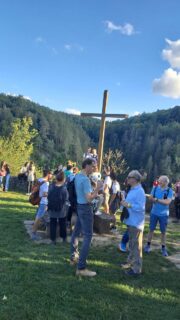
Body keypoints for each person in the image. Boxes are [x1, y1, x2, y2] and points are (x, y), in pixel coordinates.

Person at [70, 158, 103, 277]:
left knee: (76, 232)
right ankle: (81, 268)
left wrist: (93, 191)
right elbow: (89, 198)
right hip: (86, 208)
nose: (94, 168)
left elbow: (84, 194)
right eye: (93, 166)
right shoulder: (85, 180)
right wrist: (98, 189)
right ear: (87, 166)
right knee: (88, 236)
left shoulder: (78, 176)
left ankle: (73, 257)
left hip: (79, 206)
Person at [120, 170, 146, 276]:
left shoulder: (139, 191)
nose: (127, 179)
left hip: (136, 223)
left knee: (136, 246)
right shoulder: (133, 189)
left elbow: (140, 208)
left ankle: (136, 269)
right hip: (131, 221)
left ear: (134, 179)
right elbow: (130, 203)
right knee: (131, 243)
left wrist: (128, 205)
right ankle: (130, 262)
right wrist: (124, 201)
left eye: (129, 177)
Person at [144, 175, 173, 257]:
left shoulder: (169, 191)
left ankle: (163, 248)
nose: (158, 182)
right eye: (159, 180)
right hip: (154, 213)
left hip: (164, 214)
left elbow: (167, 202)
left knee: (163, 232)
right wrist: (153, 198)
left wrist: (156, 199)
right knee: (151, 229)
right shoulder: (155, 188)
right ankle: (148, 245)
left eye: (160, 181)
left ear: (165, 182)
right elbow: (150, 198)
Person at [48, 171, 69, 244]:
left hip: (52, 207)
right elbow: (66, 198)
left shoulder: (51, 186)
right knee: (62, 223)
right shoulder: (64, 188)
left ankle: (53, 240)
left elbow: (48, 196)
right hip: (61, 208)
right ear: (64, 179)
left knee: (52, 223)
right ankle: (64, 238)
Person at [31, 169, 53, 240]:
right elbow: (44, 193)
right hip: (43, 202)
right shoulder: (46, 183)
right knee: (39, 218)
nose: (52, 176)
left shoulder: (39, 180)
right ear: (48, 174)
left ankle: (36, 228)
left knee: (39, 217)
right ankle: (33, 234)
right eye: (51, 174)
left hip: (39, 201)